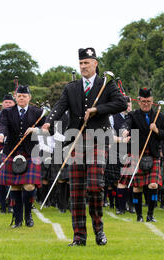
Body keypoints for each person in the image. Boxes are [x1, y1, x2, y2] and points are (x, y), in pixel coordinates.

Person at [42, 47, 126, 246]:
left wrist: (98, 109)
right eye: (80, 63)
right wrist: (48, 122)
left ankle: (99, 228)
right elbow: (59, 107)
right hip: (76, 141)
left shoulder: (106, 84)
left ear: (95, 63)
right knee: (77, 191)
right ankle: (79, 236)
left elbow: (121, 103)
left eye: (86, 63)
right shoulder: (71, 88)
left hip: (98, 140)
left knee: (95, 186)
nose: (83, 67)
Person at [118, 88, 164, 222]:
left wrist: (157, 130)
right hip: (137, 153)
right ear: (139, 101)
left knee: (153, 185)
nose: (146, 104)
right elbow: (126, 125)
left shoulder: (159, 116)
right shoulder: (133, 115)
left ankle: (150, 214)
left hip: (153, 154)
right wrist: (124, 131)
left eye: (148, 101)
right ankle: (139, 216)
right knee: (137, 187)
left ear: (152, 101)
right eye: (143, 101)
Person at [0, 85, 45, 228]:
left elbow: (49, 128)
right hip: (12, 150)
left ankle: (28, 214)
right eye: (19, 96)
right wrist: (1, 135)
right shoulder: (7, 112)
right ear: (15, 97)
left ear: (29, 98)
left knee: (29, 186)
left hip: (31, 152)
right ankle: (17, 219)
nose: (22, 98)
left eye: (24, 96)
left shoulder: (38, 112)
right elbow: (2, 125)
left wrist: (35, 129)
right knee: (16, 187)